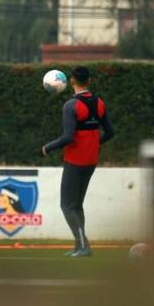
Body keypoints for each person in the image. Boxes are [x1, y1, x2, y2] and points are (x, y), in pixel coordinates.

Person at [41, 66, 114, 257]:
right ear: (88, 81)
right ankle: (79, 245)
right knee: (77, 205)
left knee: (67, 205)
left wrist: (47, 147)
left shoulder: (71, 106)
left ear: (72, 81)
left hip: (75, 160)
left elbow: (68, 137)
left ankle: (84, 246)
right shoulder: (99, 103)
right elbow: (110, 132)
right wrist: (94, 143)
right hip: (91, 160)